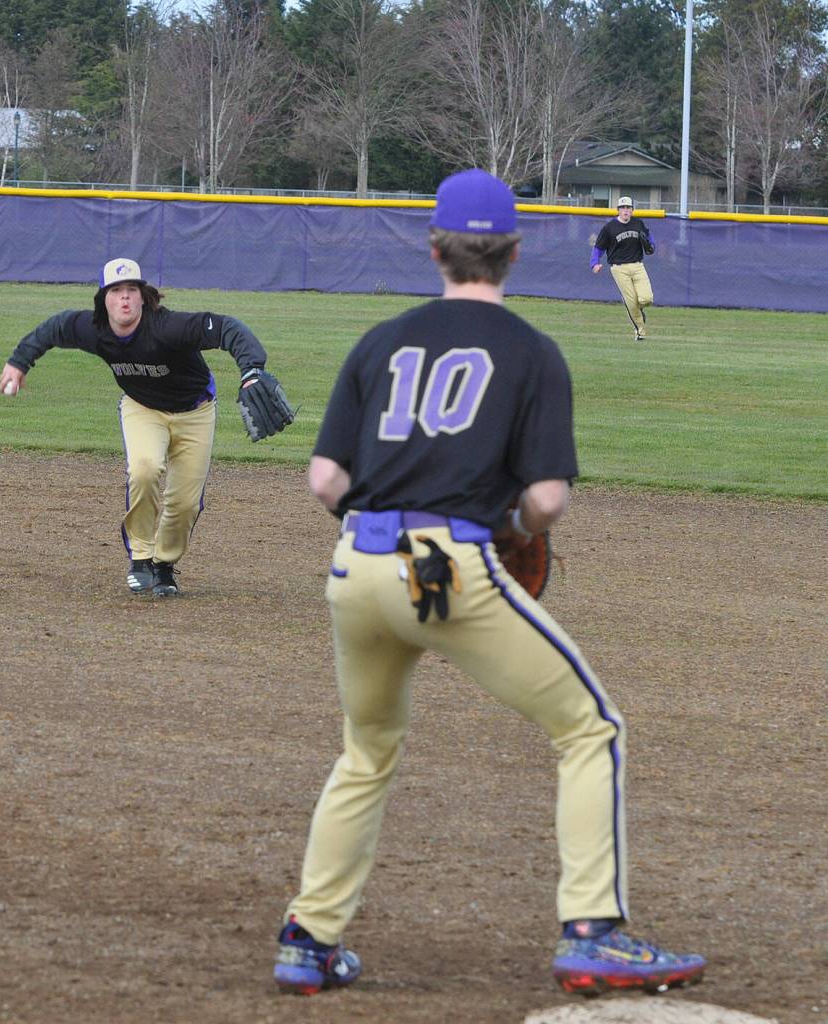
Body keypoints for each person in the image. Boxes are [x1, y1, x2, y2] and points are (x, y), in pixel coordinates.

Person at [273, 169, 705, 997]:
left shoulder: (381, 339)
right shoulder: (531, 351)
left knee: (365, 753)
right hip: (451, 568)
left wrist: (385, 537)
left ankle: (308, 940)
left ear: (434, 248)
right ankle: (593, 931)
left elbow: (326, 480)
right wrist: (509, 532)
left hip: (355, 567)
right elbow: (545, 498)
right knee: (589, 728)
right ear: (512, 251)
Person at [0, 258, 289, 597]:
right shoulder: (94, 329)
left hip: (196, 412)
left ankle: (164, 566)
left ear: (143, 296)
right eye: (116, 291)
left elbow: (227, 328)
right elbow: (54, 328)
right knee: (144, 469)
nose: (124, 298)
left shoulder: (168, 328)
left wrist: (251, 369)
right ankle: (140, 556)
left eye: (131, 290)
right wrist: (19, 363)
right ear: (103, 299)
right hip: (142, 408)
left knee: (185, 503)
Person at [591, 196, 656, 341]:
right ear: (618, 210)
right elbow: (598, 247)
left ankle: (634, 306)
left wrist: (652, 245)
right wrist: (594, 263)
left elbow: (649, 237)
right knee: (632, 303)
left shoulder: (638, 223)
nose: (626, 211)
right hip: (619, 268)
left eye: (628, 208)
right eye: (623, 208)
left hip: (638, 266)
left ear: (632, 210)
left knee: (647, 298)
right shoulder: (609, 228)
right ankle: (640, 332)